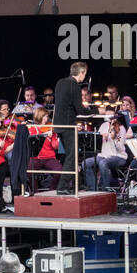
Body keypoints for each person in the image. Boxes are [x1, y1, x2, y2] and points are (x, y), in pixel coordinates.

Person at [54, 62, 94, 194]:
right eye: (84, 74)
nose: (84, 76)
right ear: (81, 73)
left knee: (71, 157)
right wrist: (94, 111)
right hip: (68, 125)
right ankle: (62, 187)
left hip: (58, 124)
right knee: (72, 157)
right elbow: (79, 110)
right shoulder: (74, 86)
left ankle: (77, 184)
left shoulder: (60, 82)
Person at [84, 112, 128, 191]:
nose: (109, 117)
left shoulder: (121, 128)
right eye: (107, 115)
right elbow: (97, 143)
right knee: (85, 163)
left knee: (103, 163)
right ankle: (93, 188)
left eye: (111, 115)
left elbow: (120, 148)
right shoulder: (103, 126)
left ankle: (105, 189)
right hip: (103, 155)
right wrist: (101, 138)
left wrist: (114, 138)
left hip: (118, 156)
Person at [28, 107, 63, 190]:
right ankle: (34, 192)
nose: (46, 119)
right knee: (28, 172)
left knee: (59, 170)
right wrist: (45, 134)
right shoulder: (31, 128)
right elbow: (31, 141)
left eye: (47, 116)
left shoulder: (51, 128)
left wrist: (58, 138)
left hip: (49, 158)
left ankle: (52, 190)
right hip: (35, 158)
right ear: (39, 116)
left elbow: (55, 146)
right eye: (45, 116)